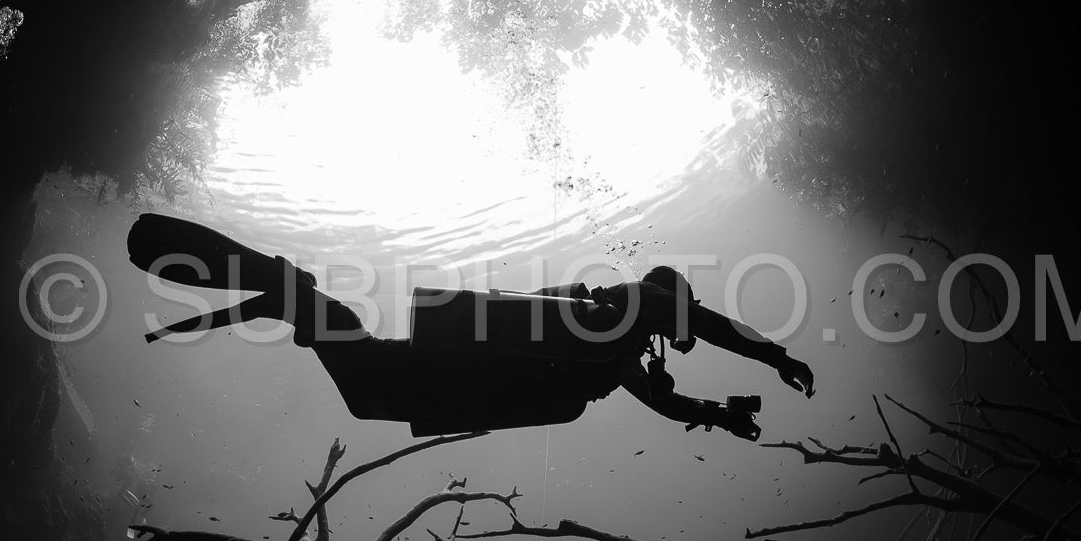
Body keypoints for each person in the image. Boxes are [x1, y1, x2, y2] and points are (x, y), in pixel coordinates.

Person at [129, 214, 815, 440]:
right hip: (472, 366)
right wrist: (774, 355)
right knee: (369, 378)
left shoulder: (620, 351)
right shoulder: (626, 308)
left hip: (474, 377)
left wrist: (718, 415)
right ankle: (294, 296)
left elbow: (659, 400)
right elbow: (707, 323)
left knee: (367, 392)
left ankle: (294, 300)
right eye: (678, 312)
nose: (681, 328)